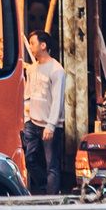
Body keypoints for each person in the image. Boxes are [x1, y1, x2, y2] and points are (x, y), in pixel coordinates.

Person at [22, 29, 66, 195]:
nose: (31, 47)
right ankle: (44, 186)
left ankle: (52, 199)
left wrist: (51, 125)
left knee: (51, 165)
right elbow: (27, 95)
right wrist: (27, 118)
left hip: (49, 124)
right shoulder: (32, 69)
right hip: (32, 122)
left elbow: (58, 100)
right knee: (29, 159)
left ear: (43, 45)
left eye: (33, 43)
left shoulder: (56, 70)